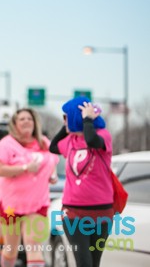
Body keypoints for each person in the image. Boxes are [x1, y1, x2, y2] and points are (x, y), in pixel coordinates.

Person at [49, 97, 113, 267]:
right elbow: (52, 146)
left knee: (94, 262)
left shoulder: (103, 136)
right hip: (73, 212)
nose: (65, 121)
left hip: (101, 212)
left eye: (67, 116)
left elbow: (92, 141)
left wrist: (86, 120)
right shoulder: (70, 141)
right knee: (83, 262)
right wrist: (68, 126)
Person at [0, 108, 59, 267]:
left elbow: (52, 161)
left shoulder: (43, 142)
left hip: (37, 202)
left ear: (35, 123)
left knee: (34, 244)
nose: (26, 121)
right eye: (22, 119)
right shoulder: (7, 144)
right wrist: (25, 168)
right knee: (11, 249)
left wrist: (53, 175)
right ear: (15, 124)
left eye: (29, 118)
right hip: (11, 204)